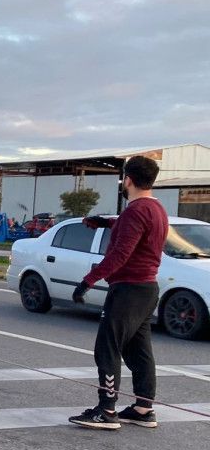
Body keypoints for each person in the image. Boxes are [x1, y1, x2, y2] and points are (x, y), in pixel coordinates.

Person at [68, 155, 168, 430]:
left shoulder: (135, 211)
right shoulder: (156, 209)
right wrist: (106, 222)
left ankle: (107, 410)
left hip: (127, 290)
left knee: (107, 348)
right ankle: (143, 408)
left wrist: (88, 281)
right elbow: (134, 228)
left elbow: (120, 253)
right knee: (139, 351)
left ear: (128, 180)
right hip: (147, 289)